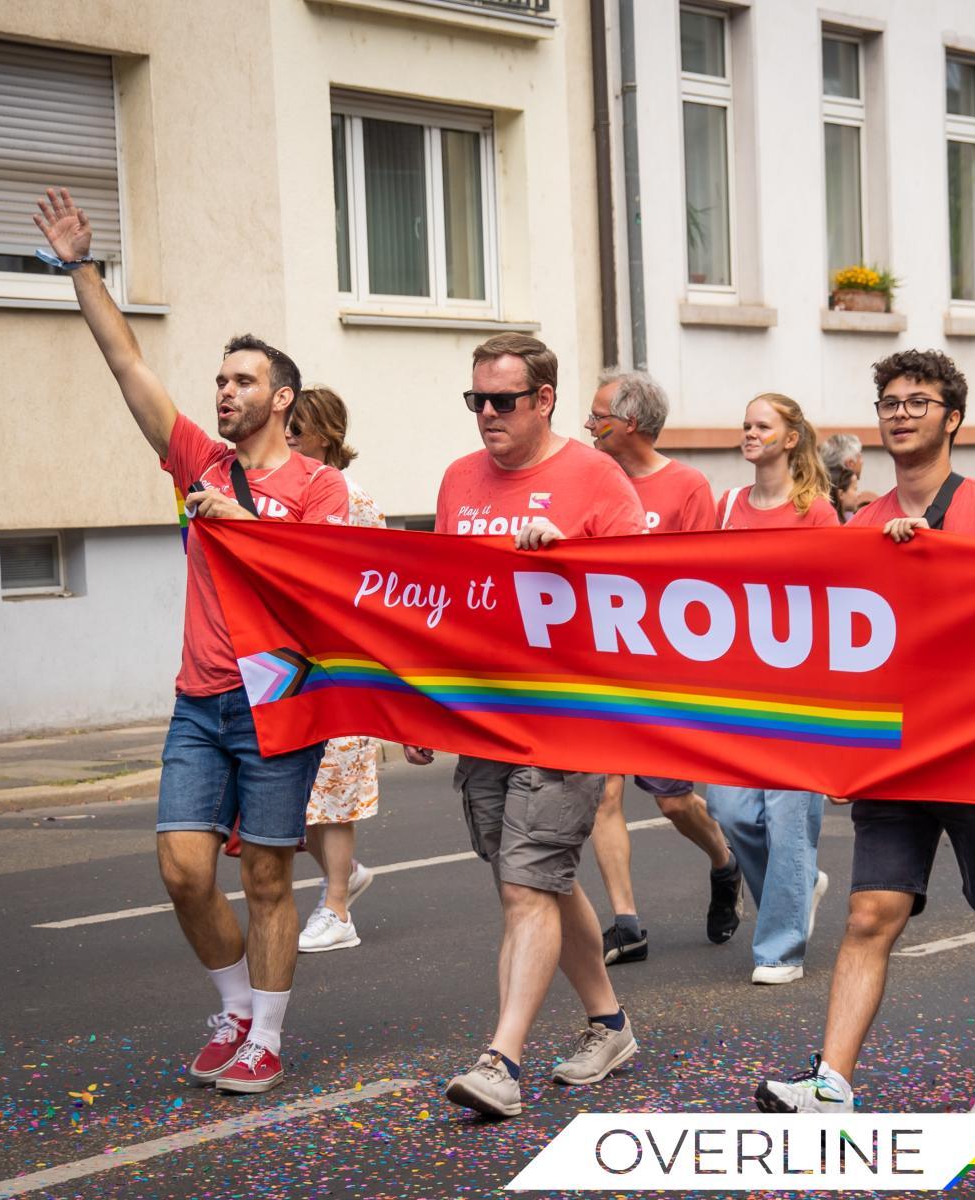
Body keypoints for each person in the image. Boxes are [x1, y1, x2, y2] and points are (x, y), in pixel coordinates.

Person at [34, 187, 347, 1095]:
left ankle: (268, 1038)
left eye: (242, 380)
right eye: (219, 380)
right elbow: (126, 361)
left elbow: (324, 586)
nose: (224, 391)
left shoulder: (319, 488)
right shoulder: (197, 462)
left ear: (281, 398)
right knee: (181, 871)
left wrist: (243, 521)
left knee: (270, 881)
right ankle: (236, 1009)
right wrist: (80, 267)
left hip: (278, 700)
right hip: (200, 700)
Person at [755, 348, 975, 1116]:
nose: (901, 414)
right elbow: (839, 640)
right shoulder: (863, 525)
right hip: (896, 754)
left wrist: (937, 558)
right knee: (869, 914)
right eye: (891, 403)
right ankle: (831, 1083)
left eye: (918, 401)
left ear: (953, 417)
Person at [405, 333, 646, 1119]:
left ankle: (500, 1062)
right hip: (485, 715)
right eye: (475, 399)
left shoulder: (595, 477)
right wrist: (423, 705)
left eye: (502, 400)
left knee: (524, 885)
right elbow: (443, 600)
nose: (486, 413)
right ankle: (610, 1025)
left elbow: (644, 597)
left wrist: (568, 560)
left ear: (543, 400)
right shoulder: (458, 479)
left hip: (569, 717)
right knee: (537, 880)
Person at [581, 367, 743, 964]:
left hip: (659, 671)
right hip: (598, 663)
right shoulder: (587, 478)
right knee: (603, 793)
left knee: (674, 801)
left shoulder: (686, 485)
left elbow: (702, 581)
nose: (587, 425)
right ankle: (627, 924)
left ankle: (724, 862)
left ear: (629, 422)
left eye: (598, 416)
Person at [705, 393, 837, 985]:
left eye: (763, 425)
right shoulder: (727, 506)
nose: (750, 433)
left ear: (790, 438)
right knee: (730, 812)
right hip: (735, 688)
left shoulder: (818, 513)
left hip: (798, 692)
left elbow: (836, 598)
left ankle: (780, 950)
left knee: (787, 821)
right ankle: (800, 886)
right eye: (746, 424)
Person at [284, 388, 383, 955]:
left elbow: (375, 580)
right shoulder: (289, 490)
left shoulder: (349, 496)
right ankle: (347, 874)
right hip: (297, 663)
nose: (287, 435)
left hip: (343, 664)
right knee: (300, 792)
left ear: (325, 434)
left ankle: (338, 909)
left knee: (334, 789)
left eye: (297, 427)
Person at [819, 433, 876, 520]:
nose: (862, 462)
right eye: (860, 456)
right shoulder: (839, 511)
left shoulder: (819, 495)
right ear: (850, 464)